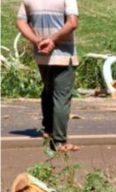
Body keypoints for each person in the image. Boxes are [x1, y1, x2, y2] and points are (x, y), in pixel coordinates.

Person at [16, 0, 81, 152]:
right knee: (61, 96)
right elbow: (72, 23)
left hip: (42, 55)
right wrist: (52, 39)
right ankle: (59, 141)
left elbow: (20, 22)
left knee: (48, 90)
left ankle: (48, 130)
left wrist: (37, 40)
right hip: (64, 55)